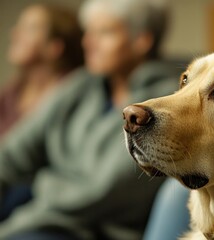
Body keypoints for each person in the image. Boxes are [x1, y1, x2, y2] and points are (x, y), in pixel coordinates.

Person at [0, 0, 179, 239]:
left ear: (142, 41)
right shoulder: (81, 85)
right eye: (88, 32)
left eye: (104, 32)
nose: (88, 42)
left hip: (95, 231)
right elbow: (14, 152)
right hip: (46, 216)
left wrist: (33, 200)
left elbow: (105, 190)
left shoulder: (165, 101)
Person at [0, 4, 84, 139]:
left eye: (30, 29)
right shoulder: (9, 95)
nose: (15, 33)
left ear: (55, 47)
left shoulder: (74, 95)